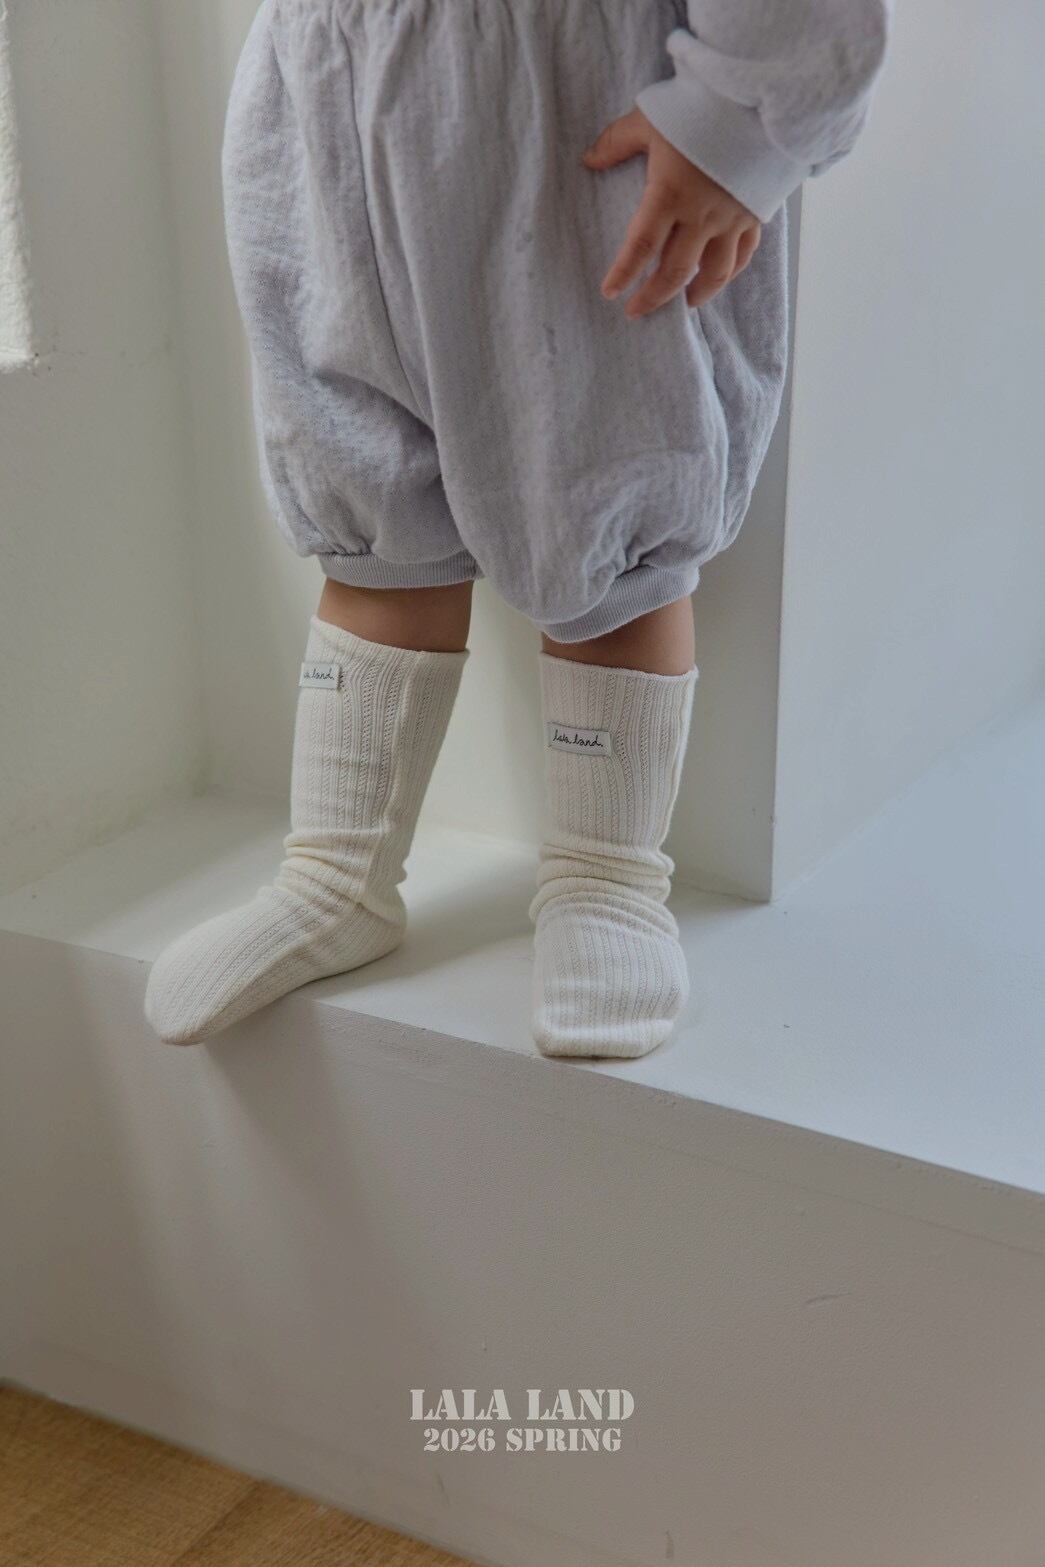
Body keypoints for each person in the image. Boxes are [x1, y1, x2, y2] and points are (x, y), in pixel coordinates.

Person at [144, 0, 889, 1057]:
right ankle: (336, 871)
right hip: (329, 102)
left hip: (564, 114)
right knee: (362, 490)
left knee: (604, 464)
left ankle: (605, 877)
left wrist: (740, 121)